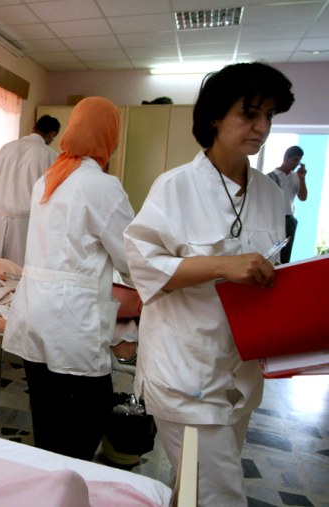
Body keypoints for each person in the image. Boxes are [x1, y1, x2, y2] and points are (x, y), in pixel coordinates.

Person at [123, 62, 294, 506]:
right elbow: (142, 265)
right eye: (249, 114)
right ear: (216, 116)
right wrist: (222, 265)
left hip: (238, 372)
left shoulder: (271, 194)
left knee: (198, 489)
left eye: (270, 116)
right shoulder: (174, 187)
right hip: (185, 371)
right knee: (219, 495)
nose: (262, 127)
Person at [2, 97, 135, 461]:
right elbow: (131, 257)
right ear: (109, 135)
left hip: (34, 313)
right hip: (70, 322)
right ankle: (70, 484)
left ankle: (50, 481)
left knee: (46, 413)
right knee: (90, 413)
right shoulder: (102, 186)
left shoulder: (48, 178)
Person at [0, 114, 61, 266]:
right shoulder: (51, 155)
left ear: (34, 128)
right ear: (52, 134)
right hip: (26, 222)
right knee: (18, 269)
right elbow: (52, 196)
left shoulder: (7, 147)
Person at [268, 145, 308, 263]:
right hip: (274, 219)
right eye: (295, 160)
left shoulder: (296, 177)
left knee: (285, 255)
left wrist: (302, 178)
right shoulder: (270, 177)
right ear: (286, 158)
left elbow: (303, 197)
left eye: (299, 161)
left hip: (289, 219)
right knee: (273, 252)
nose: (296, 164)